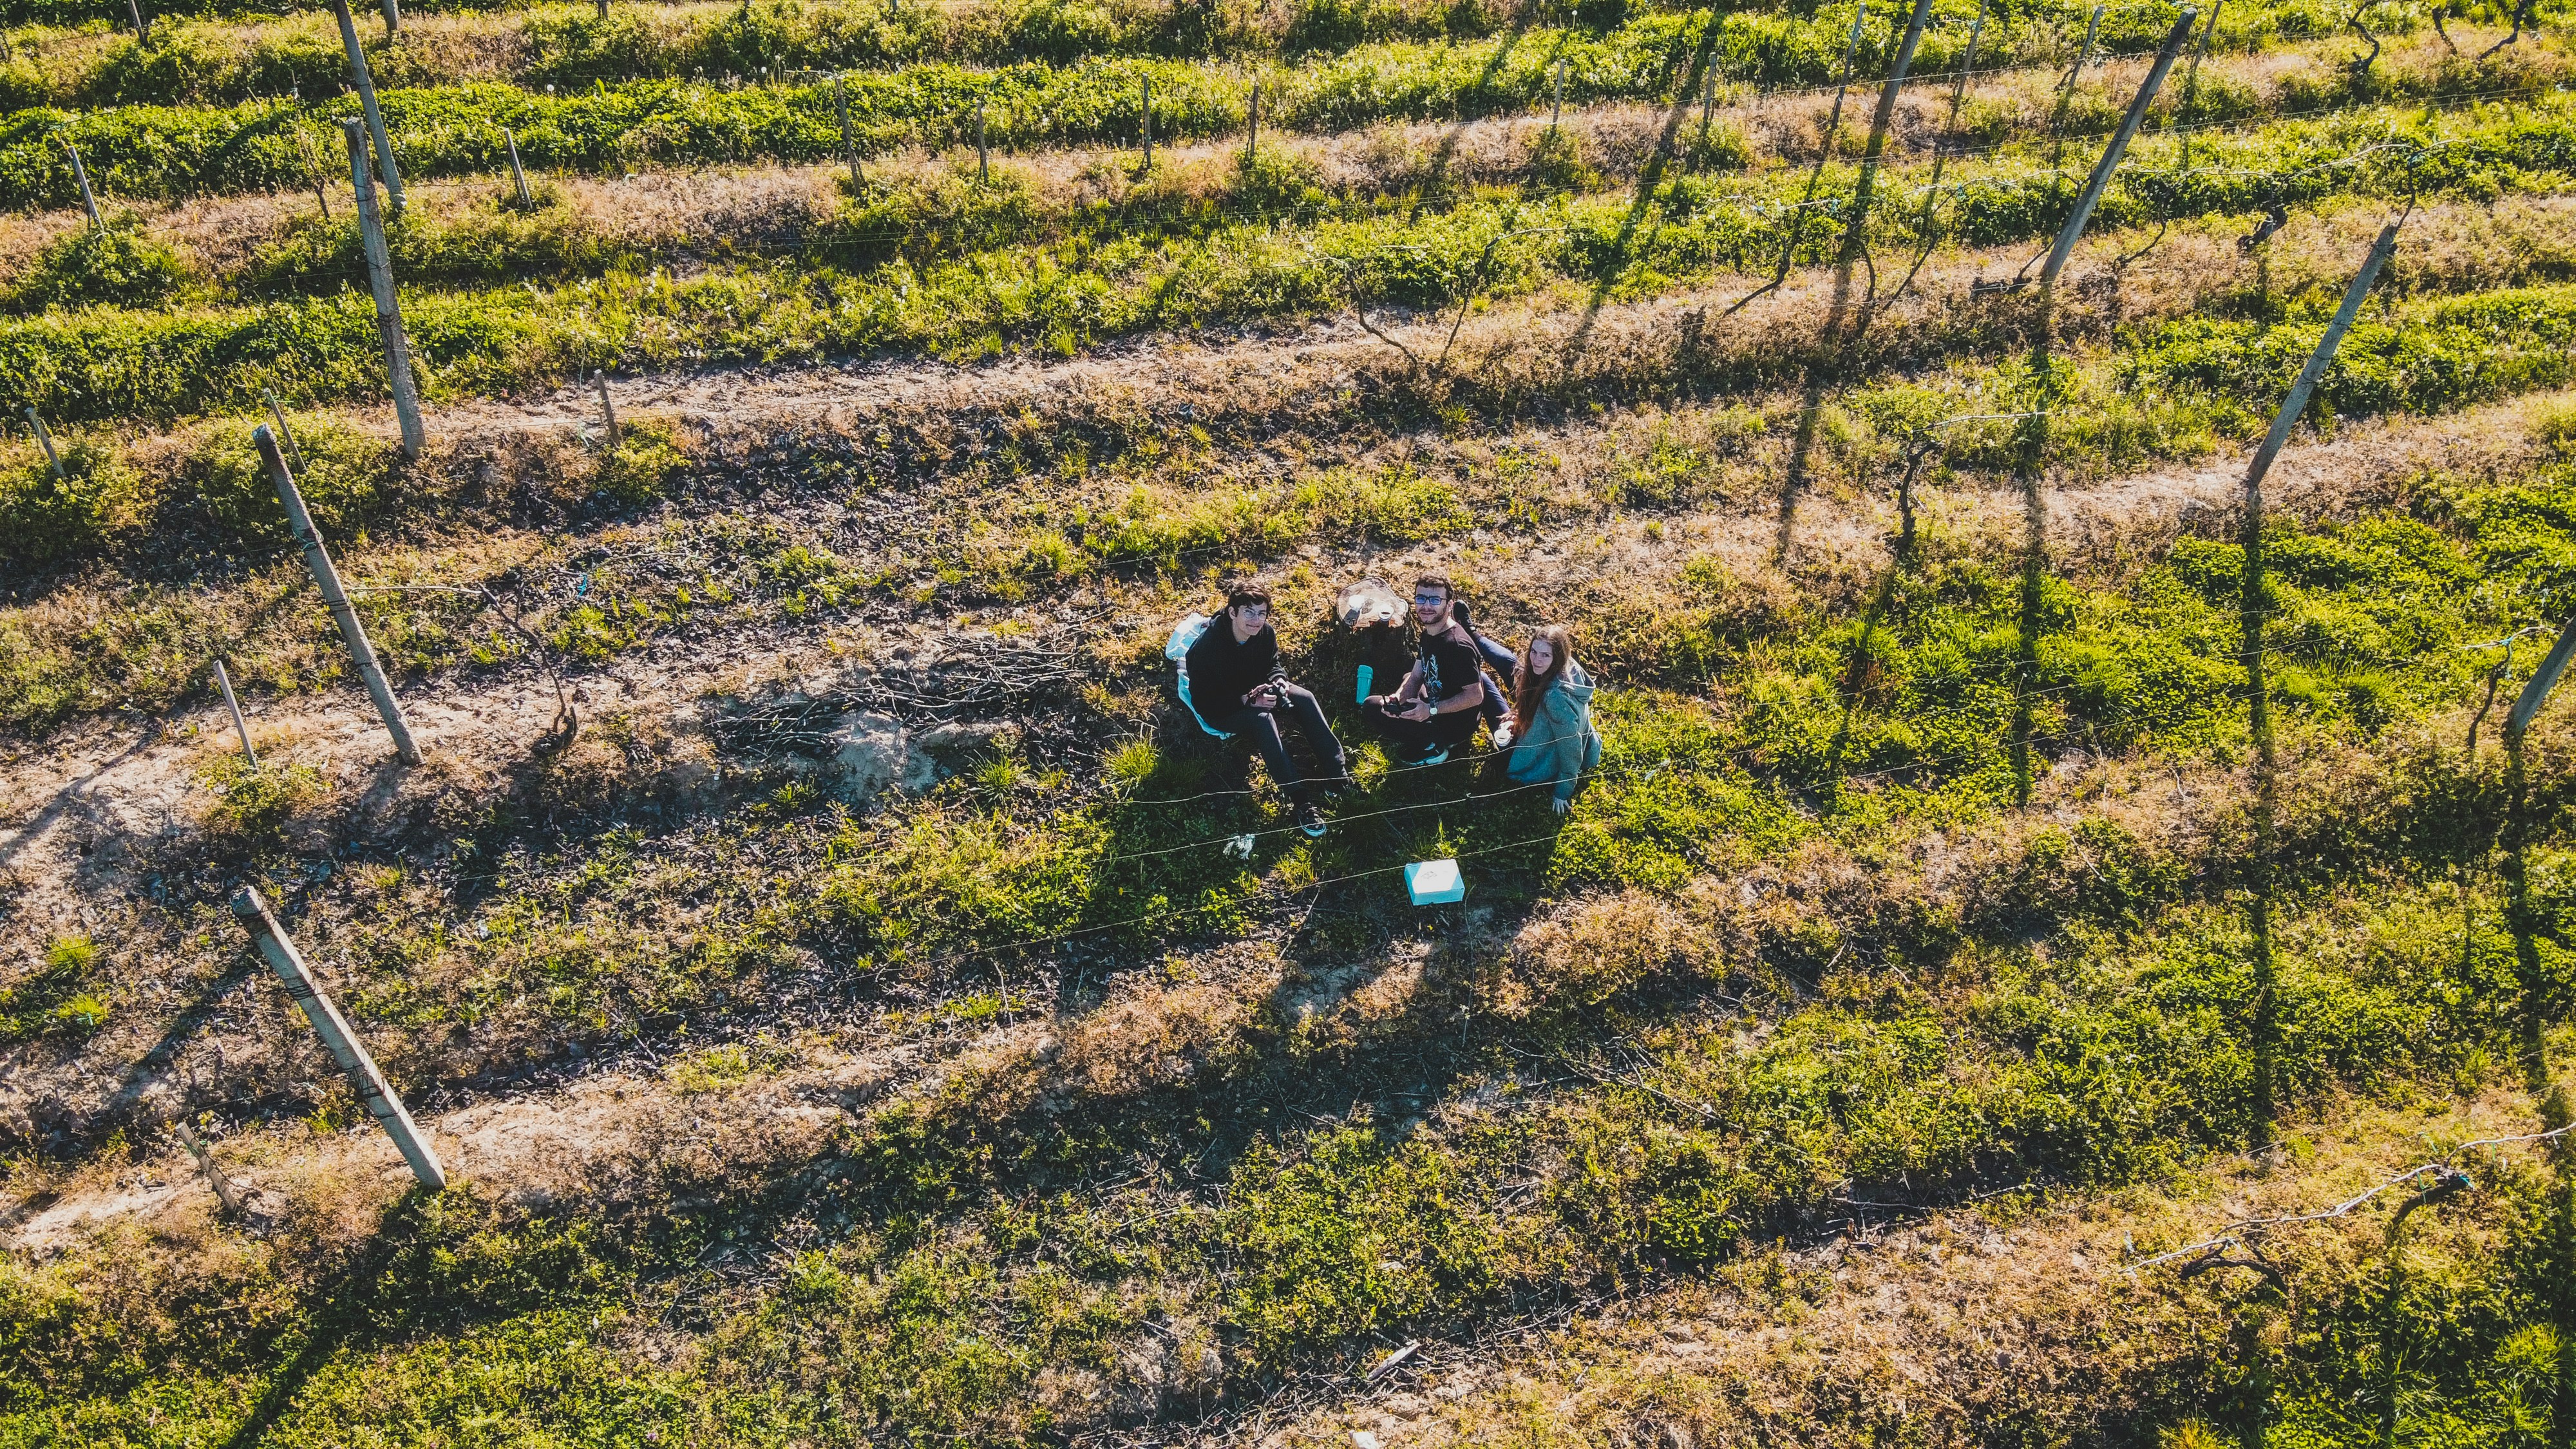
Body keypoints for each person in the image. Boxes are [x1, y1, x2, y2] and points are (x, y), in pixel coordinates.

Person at [1184, 582, 1345, 837]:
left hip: (1255, 690)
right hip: (1222, 709)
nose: (1256, 620)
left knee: (1304, 697)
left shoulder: (1265, 634)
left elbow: (1273, 663)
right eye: (1248, 612)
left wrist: (1278, 679)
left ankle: (1339, 777)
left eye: (1261, 613)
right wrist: (1246, 701)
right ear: (1232, 613)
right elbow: (1204, 701)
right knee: (1262, 720)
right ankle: (1301, 800)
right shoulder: (1207, 649)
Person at [1363, 574, 1491, 766]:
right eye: (1421, 598)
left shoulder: (1457, 646)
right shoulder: (1430, 630)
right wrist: (1398, 699)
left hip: (1453, 723)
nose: (1427, 606)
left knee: (1371, 707)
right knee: (1403, 682)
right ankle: (1421, 728)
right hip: (1434, 701)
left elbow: (1475, 696)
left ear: (1449, 606)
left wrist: (1430, 710)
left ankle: (1435, 746)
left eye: (1435, 600)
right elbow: (1416, 674)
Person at [1505, 626, 1601, 813]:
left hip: (1542, 761)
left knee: (1486, 686)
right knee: (1506, 662)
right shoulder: (1570, 666)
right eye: (1534, 651)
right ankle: (1474, 634)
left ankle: (1472, 634)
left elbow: (1570, 746)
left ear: (1557, 657)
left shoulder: (1555, 698)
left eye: (1545, 655)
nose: (1536, 660)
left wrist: (1563, 790)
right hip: (1547, 738)